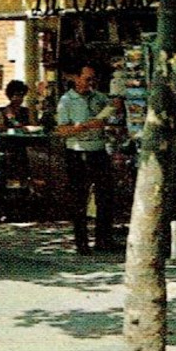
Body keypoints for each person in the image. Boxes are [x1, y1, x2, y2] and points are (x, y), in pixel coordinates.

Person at [56, 63, 117, 255]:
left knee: (105, 197)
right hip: (77, 152)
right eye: (86, 79)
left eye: (93, 79)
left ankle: (104, 239)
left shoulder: (99, 98)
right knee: (79, 198)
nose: (89, 83)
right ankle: (81, 241)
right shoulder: (66, 101)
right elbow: (62, 131)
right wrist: (85, 126)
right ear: (76, 78)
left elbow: (111, 115)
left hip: (99, 151)